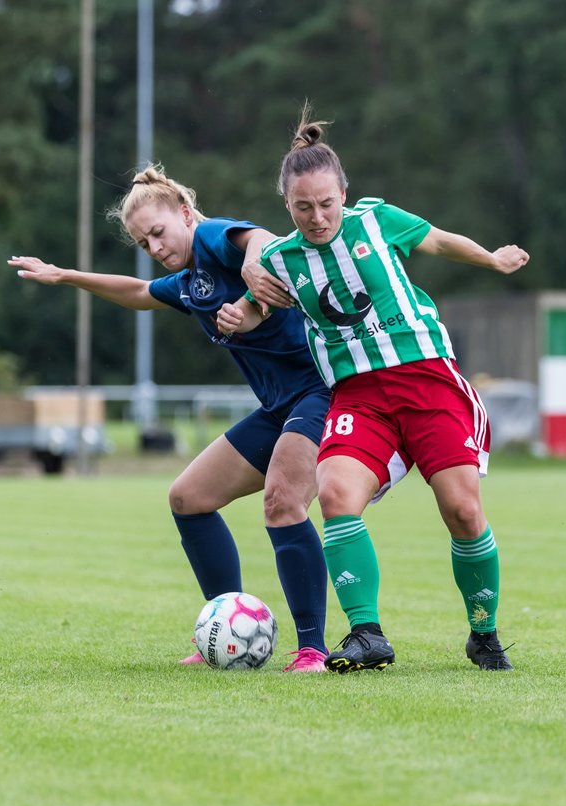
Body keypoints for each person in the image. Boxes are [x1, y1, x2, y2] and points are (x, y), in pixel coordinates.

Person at [218, 108, 530, 673]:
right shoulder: (282, 258)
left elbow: (437, 241)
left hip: (428, 382)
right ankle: (367, 635)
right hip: (359, 399)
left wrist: (490, 257)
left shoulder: (376, 220)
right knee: (336, 494)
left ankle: (482, 634)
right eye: (302, 207)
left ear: (344, 193)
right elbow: (254, 304)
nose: (317, 217)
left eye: (326, 203)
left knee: (461, 510)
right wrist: (235, 316)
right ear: (286, 206)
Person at [9, 165, 331, 672]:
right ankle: (230, 627)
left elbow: (262, 239)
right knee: (188, 498)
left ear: (183, 214)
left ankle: (313, 648)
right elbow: (138, 293)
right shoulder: (189, 285)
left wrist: (252, 265)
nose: (155, 247)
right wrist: (65, 275)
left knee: (283, 499)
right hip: (278, 408)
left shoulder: (210, 238)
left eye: (158, 232)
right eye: (144, 243)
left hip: (322, 392)